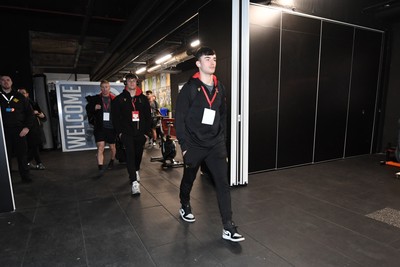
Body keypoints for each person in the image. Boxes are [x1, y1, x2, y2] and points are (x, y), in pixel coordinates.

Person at [175, 47, 245, 242]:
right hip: (194, 144)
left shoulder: (220, 87)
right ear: (198, 63)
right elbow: (179, 118)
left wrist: (221, 139)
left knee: (222, 183)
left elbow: (222, 114)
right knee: (189, 177)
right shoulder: (190, 88)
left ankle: (228, 226)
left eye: (214, 59)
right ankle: (184, 203)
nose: (212, 62)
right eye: (207, 59)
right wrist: (185, 146)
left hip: (215, 144)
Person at [112, 73, 151, 195]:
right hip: (127, 133)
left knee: (138, 155)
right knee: (130, 155)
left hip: (140, 134)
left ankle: (136, 170)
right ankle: (134, 182)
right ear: (126, 83)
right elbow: (115, 118)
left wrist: (146, 133)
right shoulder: (119, 99)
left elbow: (148, 117)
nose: (132, 83)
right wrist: (120, 133)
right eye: (129, 81)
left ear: (137, 82)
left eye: (134, 81)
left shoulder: (143, 99)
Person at [0, 75, 34, 183]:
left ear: (11, 82)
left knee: (22, 155)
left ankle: (25, 176)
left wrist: (27, 127)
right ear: (0, 83)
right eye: (3, 80)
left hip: (20, 131)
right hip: (3, 131)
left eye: (8, 80)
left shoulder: (20, 96)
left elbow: (30, 113)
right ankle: (6, 178)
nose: (5, 82)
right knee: (5, 157)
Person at [85, 80, 117, 172]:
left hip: (111, 127)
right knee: (100, 147)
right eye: (103, 87)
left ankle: (111, 160)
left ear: (109, 88)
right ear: (100, 88)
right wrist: (94, 107)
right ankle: (100, 167)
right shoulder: (96, 99)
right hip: (100, 127)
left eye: (106, 87)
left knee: (112, 147)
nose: (105, 89)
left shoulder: (115, 99)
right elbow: (88, 107)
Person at [18, 88, 46, 170]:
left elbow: (43, 117)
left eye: (23, 93)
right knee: (33, 146)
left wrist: (40, 114)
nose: (22, 95)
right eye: (20, 93)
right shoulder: (17, 104)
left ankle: (27, 162)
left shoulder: (33, 103)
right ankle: (38, 163)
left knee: (35, 146)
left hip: (37, 128)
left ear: (27, 94)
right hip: (26, 129)